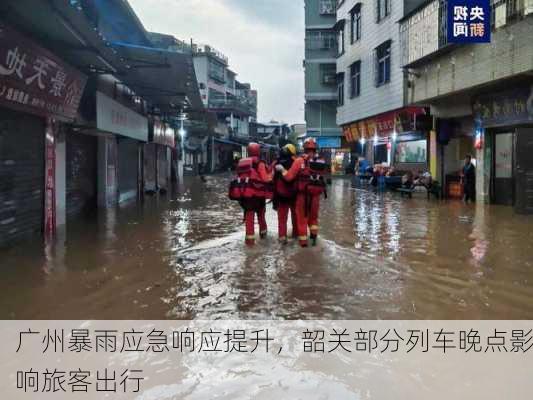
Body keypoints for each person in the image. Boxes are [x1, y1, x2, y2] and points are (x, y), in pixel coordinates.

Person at [276, 138, 328, 247]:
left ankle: (303, 246)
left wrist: (282, 170)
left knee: (302, 220)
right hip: (316, 196)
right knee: (313, 219)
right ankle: (314, 241)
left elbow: (289, 177)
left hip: (303, 196)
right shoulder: (321, 161)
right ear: (315, 149)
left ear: (304, 148)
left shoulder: (300, 161)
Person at [228, 142, 272, 245]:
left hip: (245, 196)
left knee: (249, 219)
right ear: (258, 151)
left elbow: (239, 177)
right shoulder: (260, 163)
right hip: (258, 196)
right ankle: (263, 237)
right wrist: (271, 176)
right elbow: (265, 179)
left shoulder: (242, 163)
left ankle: (249, 243)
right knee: (261, 216)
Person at [271, 144, 298, 244]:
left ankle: (282, 238)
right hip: (294, 195)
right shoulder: (296, 162)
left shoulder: (276, 163)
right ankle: (296, 235)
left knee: (282, 219)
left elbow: (272, 178)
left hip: (281, 195)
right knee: (295, 217)